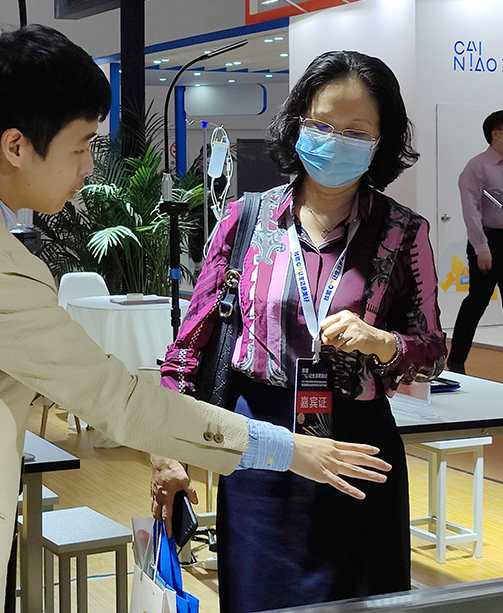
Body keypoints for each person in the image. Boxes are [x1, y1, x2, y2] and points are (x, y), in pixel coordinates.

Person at [0, 26, 392, 613]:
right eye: (81, 147)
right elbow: (121, 404)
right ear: (16, 146)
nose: (89, 168)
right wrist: (285, 448)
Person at [153, 50, 447, 612]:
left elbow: (431, 351)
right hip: (258, 447)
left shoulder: (403, 232)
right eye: (322, 125)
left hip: (359, 452)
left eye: (356, 131)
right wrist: (168, 447)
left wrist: (384, 343)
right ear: (297, 125)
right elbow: (187, 350)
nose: (336, 141)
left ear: (381, 143)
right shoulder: (245, 220)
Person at [445, 110, 503, 387]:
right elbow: (471, 211)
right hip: (488, 241)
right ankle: (456, 362)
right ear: (496, 134)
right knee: (477, 302)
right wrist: (481, 247)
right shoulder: (477, 167)